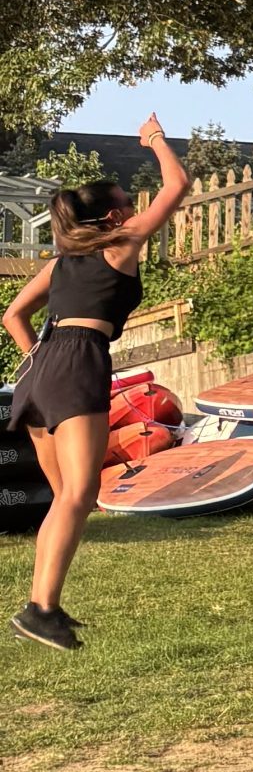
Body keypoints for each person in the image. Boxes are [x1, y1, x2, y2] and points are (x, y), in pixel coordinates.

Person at [5, 117, 190, 649]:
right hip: (79, 360)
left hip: (40, 371)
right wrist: (154, 140)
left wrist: (40, 358)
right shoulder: (118, 243)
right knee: (81, 494)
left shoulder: (63, 262)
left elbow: (13, 316)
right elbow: (177, 186)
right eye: (130, 203)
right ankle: (42, 608)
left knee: (66, 496)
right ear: (112, 217)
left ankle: (45, 607)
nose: (137, 210)